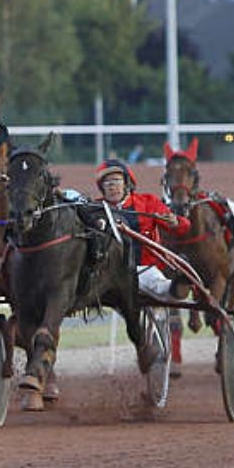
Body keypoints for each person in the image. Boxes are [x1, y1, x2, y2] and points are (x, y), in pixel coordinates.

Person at [95, 159, 192, 375]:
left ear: (127, 183)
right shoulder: (94, 209)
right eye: (107, 183)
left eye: (116, 181)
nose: (112, 186)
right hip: (108, 278)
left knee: (158, 285)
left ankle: (176, 289)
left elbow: (182, 226)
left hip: (143, 270)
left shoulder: (148, 203)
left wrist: (175, 222)